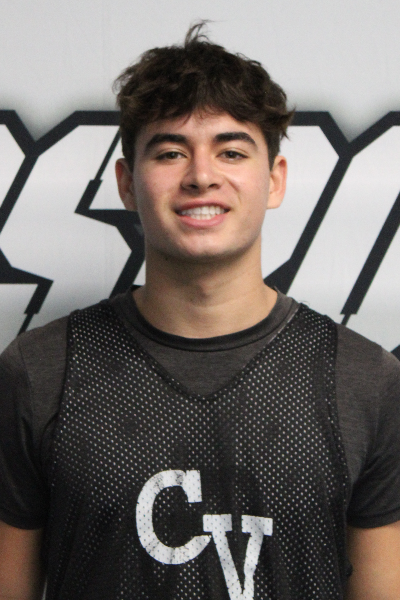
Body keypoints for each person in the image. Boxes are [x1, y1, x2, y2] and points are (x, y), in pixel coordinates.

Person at [0, 22, 400, 600]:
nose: (202, 176)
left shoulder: (366, 381)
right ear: (127, 183)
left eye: (231, 151)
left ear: (274, 180)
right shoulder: (39, 372)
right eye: (170, 152)